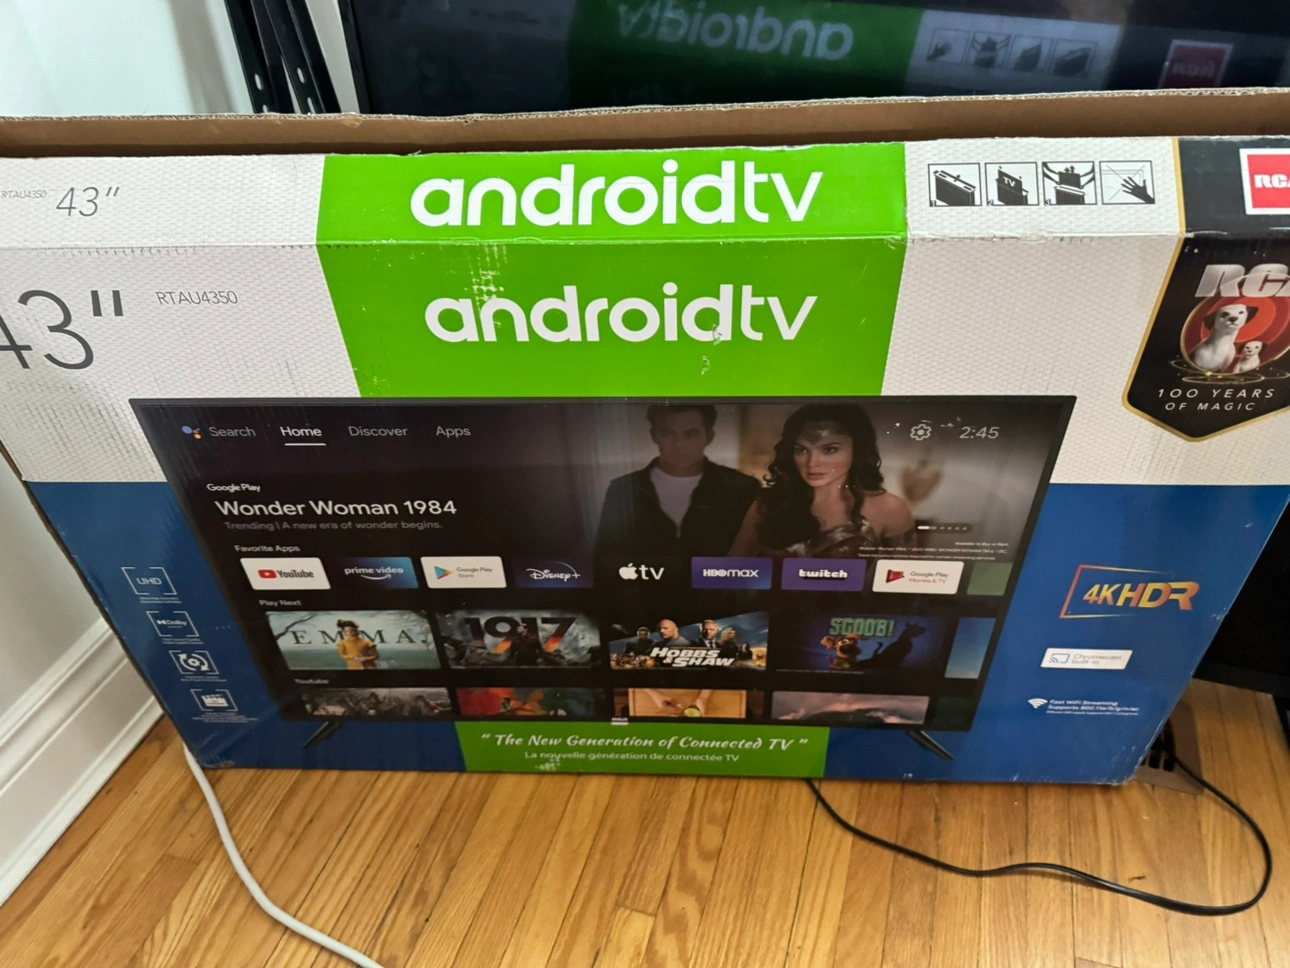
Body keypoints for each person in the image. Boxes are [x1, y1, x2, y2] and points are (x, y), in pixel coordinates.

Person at [728, 404, 914, 557]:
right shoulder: (767, 505)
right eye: (802, 450)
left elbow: (906, 581)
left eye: (829, 449)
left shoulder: (889, 508)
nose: (812, 462)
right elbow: (730, 574)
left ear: (857, 450)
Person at [594, 405, 761, 558]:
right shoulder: (622, 489)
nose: (679, 445)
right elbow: (605, 559)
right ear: (654, 435)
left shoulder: (743, 489)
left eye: (691, 434)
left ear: (709, 436)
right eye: (667, 434)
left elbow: (755, 560)